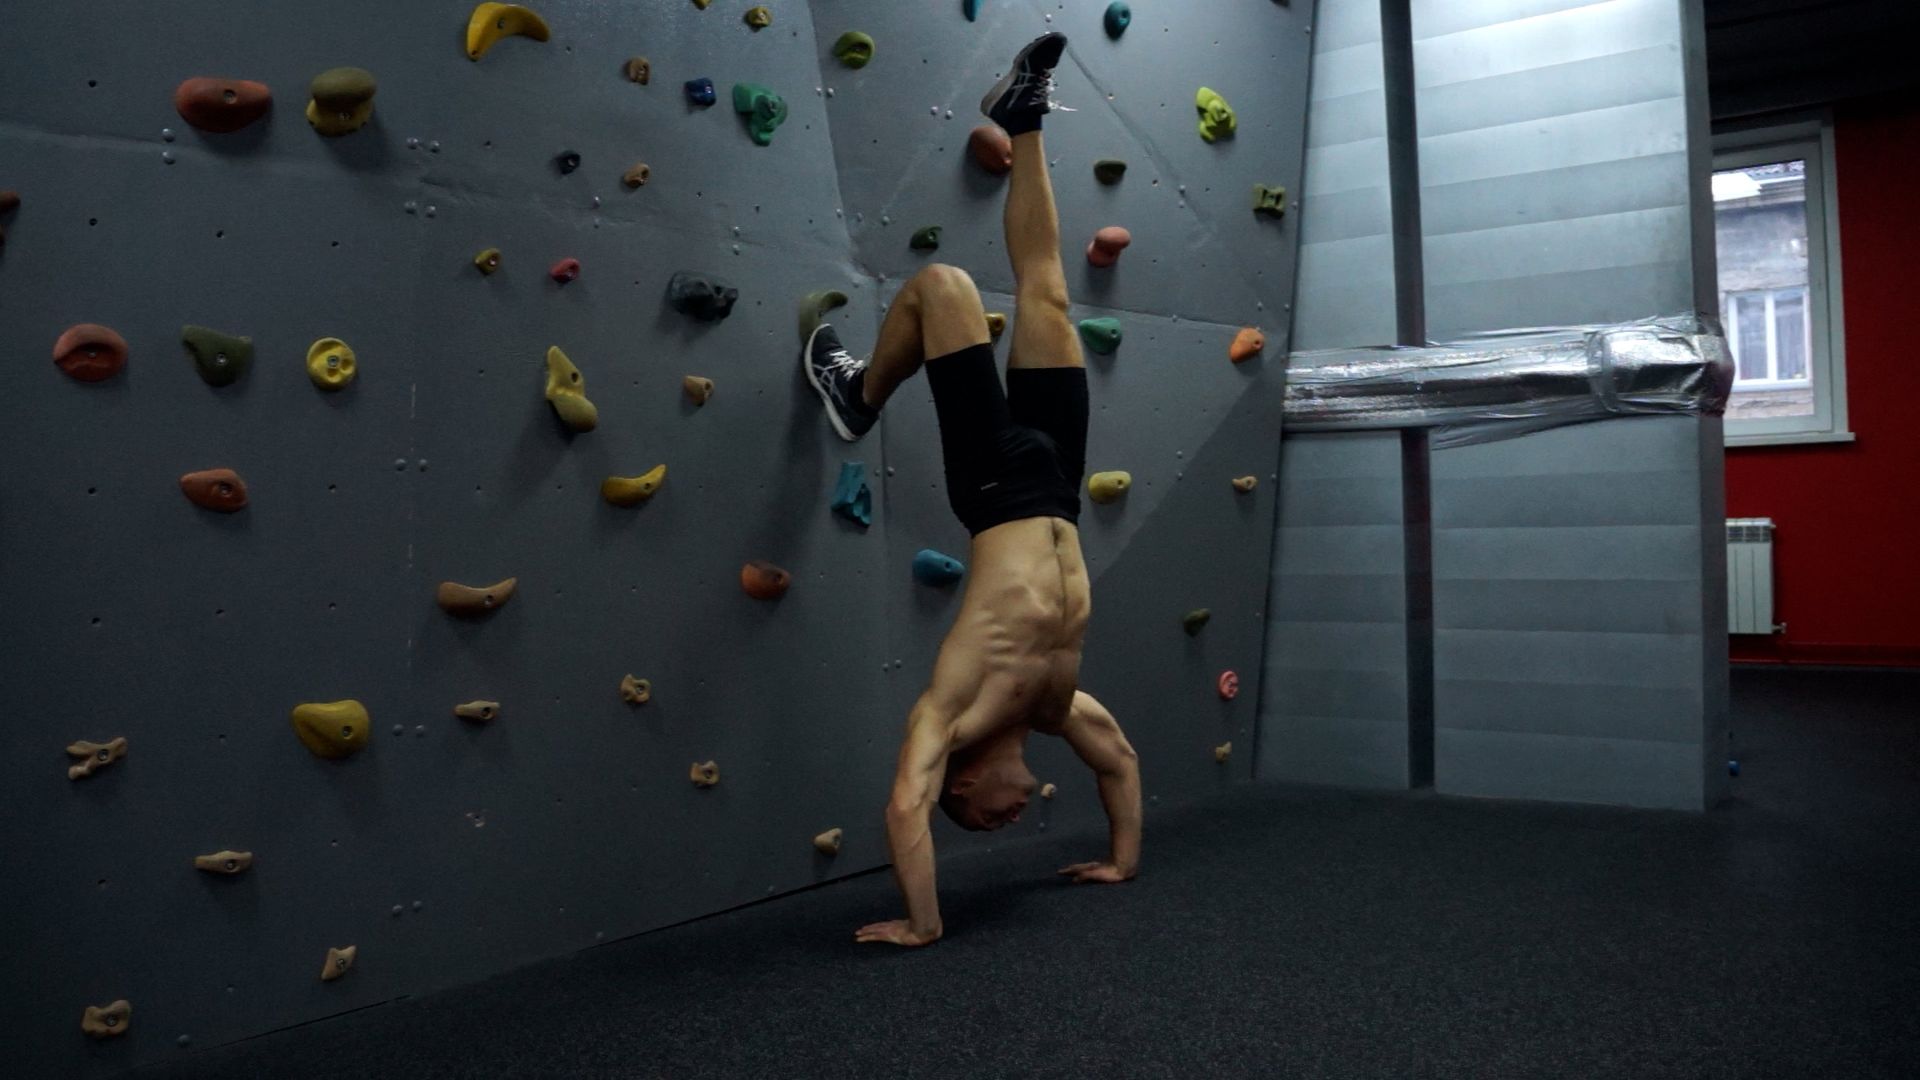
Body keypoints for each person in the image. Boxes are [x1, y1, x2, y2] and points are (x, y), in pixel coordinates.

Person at [801, 32, 1143, 948]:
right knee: (1048, 296)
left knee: (941, 285)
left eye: (984, 819)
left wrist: (923, 923)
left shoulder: (950, 713)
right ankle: (1022, 118)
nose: (1007, 820)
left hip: (995, 490)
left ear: (962, 780)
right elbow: (1119, 762)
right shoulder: (1054, 709)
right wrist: (1122, 859)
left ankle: (858, 394)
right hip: (1057, 488)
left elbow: (904, 807)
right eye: (1000, 827)